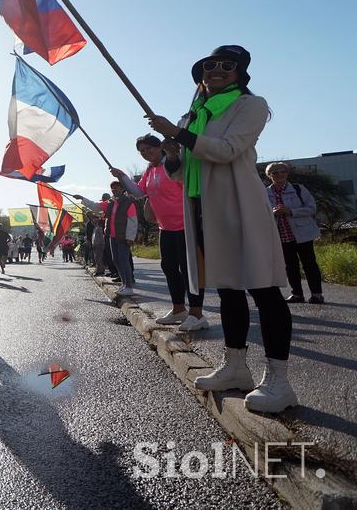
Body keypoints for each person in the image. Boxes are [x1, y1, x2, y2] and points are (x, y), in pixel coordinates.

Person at [148, 44, 296, 413]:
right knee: (228, 291)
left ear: (240, 73)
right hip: (205, 209)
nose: (215, 70)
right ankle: (235, 367)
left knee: (263, 290)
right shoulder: (194, 116)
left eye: (225, 65)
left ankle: (279, 380)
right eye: (208, 66)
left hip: (241, 207)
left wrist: (179, 136)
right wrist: (171, 152)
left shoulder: (250, 105)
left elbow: (228, 150)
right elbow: (184, 173)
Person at [111, 134, 208, 331]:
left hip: (185, 224)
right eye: (142, 151)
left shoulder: (173, 163)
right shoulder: (150, 169)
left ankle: (197, 314)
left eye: (150, 149)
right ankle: (179, 309)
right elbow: (139, 192)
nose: (146, 154)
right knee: (169, 268)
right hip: (166, 227)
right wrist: (122, 177)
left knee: (190, 270)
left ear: (160, 147)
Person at [265, 162, 324, 304]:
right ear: (269, 176)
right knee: (290, 266)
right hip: (281, 236)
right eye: (275, 173)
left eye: (282, 171)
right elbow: (260, 213)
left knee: (309, 264)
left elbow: (311, 208)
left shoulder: (298, 189)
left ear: (287, 173)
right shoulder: (265, 193)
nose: (280, 175)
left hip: (303, 234)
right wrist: (273, 213)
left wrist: (290, 211)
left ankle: (317, 294)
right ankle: (297, 294)